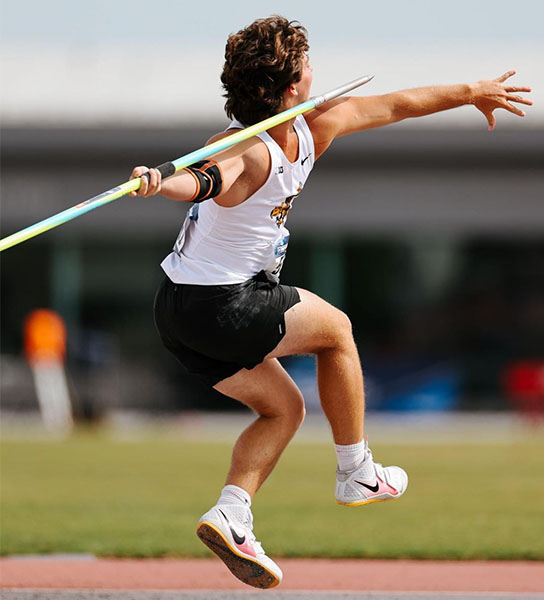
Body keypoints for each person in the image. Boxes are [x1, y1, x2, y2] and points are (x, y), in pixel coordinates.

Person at [130, 16, 532, 589]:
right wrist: (156, 181)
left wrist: (472, 92)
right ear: (290, 85)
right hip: (225, 304)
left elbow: (398, 105)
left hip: (176, 310)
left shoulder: (316, 124)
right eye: (308, 66)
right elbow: (204, 179)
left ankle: (232, 513)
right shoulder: (246, 147)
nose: (317, 73)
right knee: (337, 330)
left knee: (284, 409)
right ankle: (356, 471)